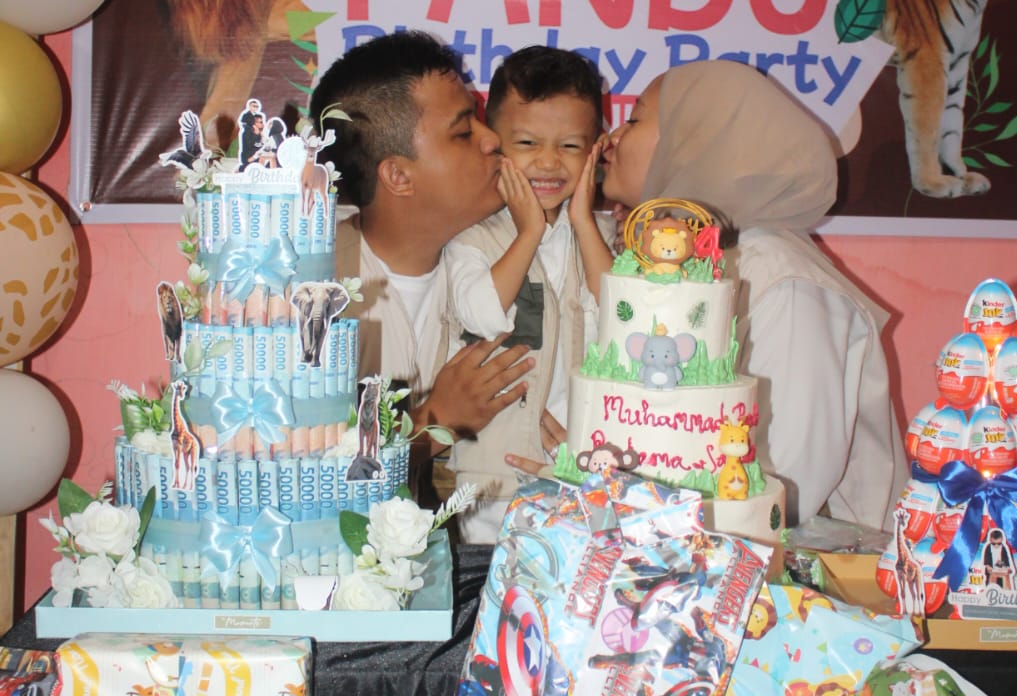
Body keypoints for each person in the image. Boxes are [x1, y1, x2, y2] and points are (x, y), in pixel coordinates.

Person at [594, 60, 908, 528]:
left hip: (808, 564)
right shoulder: (684, 268)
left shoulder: (784, 282)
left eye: (635, 119)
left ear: (696, 142)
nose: (613, 137)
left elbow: (788, 482)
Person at [309, 31, 534, 479]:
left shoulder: (516, 254)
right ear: (398, 176)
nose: (492, 140)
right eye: (464, 131)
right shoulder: (311, 296)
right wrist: (437, 422)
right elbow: (302, 478)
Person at [444, 46, 614, 542]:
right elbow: (482, 315)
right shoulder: (472, 236)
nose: (548, 162)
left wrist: (584, 224)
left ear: (595, 152)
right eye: (526, 143)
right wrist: (529, 233)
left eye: (570, 146)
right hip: (492, 481)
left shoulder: (601, 237)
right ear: (493, 144)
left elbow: (625, 321)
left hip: (580, 473)